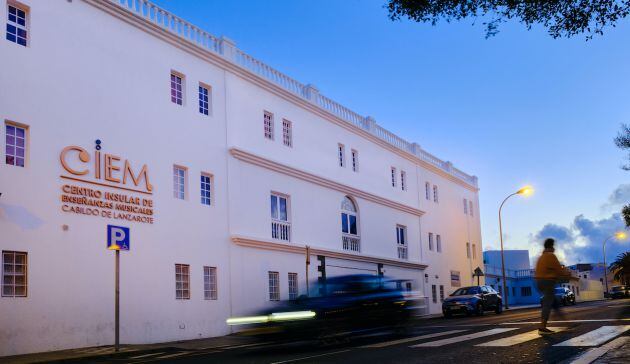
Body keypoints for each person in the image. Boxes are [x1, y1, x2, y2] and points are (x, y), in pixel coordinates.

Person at [535, 238, 570, 334]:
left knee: (554, 303)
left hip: (539, 281)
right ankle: (542, 327)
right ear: (551, 246)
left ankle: (567, 323)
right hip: (548, 282)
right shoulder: (551, 256)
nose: (554, 248)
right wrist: (567, 274)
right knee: (547, 303)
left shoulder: (541, 257)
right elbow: (559, 270)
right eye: (553, 245)